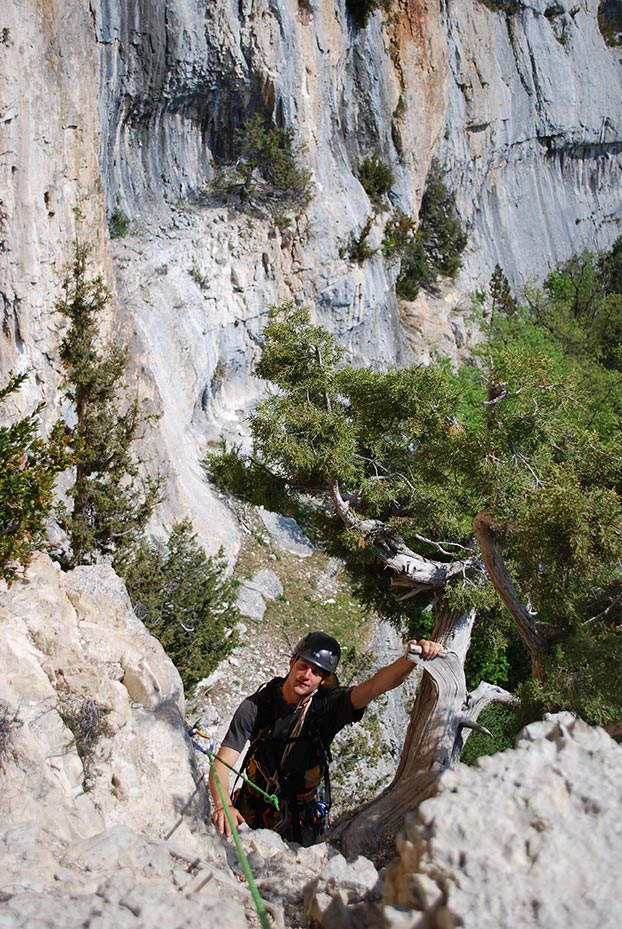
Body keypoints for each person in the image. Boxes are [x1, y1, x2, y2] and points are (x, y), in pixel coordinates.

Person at [208, 629, 444, 846]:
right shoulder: (256, 706)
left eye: (317, 672)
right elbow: (223, 761)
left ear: (323, 680)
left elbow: (375, 687)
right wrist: (223, 805)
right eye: (303, 666)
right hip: (253, 805)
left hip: (301, 817)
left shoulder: (327, 708)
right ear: (292, 663)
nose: (307, 676)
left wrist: (411, 658)